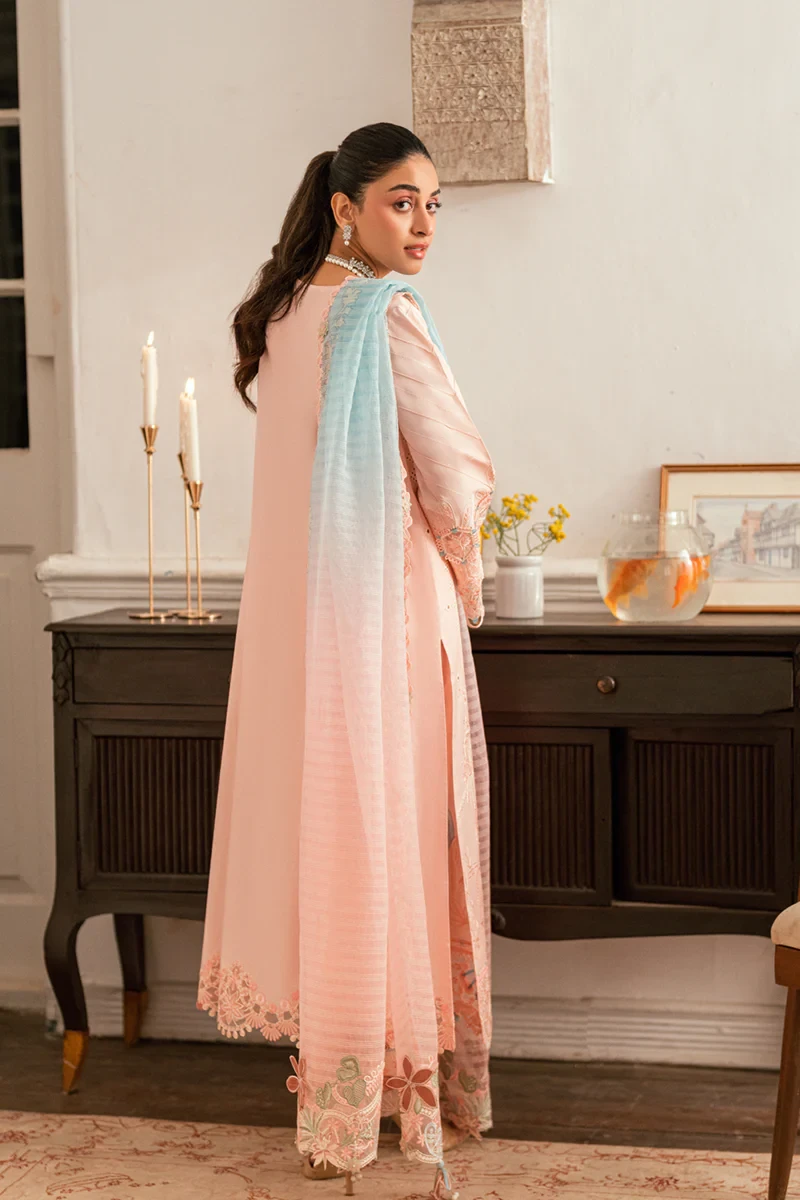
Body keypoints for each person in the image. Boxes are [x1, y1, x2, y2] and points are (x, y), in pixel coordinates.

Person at [197, 122, 496, 1200]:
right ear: (345, 206)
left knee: (333, 832)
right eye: (401, 202)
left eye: (432, 205)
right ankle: (394, 1092)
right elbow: (454, 471)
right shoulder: (381, 311)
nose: (422, 226)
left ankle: (343, 1101)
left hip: (296, 615)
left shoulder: (282, 314)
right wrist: (465, 561)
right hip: (382, 610)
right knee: (395, 836)